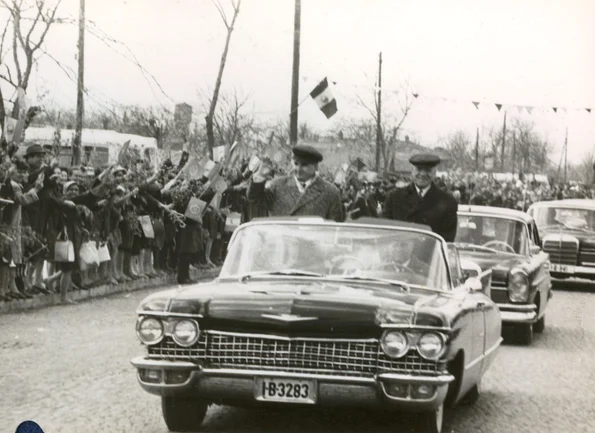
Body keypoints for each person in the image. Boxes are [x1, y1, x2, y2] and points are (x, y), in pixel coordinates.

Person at [247, 145, 344, 221]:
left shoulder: (330, 192)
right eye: (296, 164)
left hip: (311, 245)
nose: (298, 169)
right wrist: (259, 179)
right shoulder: (278, 185)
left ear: (316, 166)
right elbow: (255, 199)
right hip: (281, 244)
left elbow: (334, 228)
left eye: (304, 165)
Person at [382, 153, 458, 242]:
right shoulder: (394, 198)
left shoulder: (448, 202)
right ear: (412, 171)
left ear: (434, 173)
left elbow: (446, 240)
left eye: (428, 170)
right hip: (399, 253)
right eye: (419, 169)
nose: (422, 174)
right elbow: (385, 233)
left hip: (430, 254)